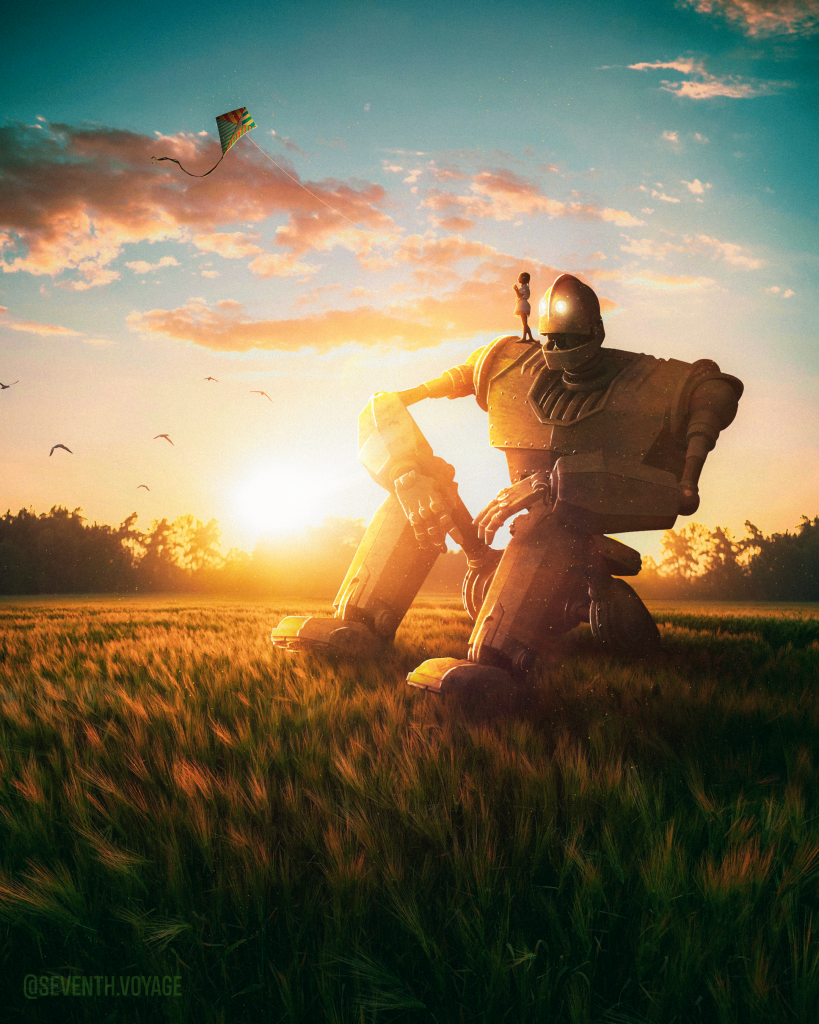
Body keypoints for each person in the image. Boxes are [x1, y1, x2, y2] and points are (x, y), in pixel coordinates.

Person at [272, 273, 743, 694]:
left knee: (544, 526)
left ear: (596, 335)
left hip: (569, 539)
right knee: (420, 485)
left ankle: (497, 664)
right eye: (549, 343)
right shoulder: (508, 363)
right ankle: (358, 622)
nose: (556, 354)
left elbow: (716, 391)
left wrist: (548, 487)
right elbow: (386, 404)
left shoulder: (651, 380)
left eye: (569, 342)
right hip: (508, 529)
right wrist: (405, 473)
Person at [513, 272, 536, 343]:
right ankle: (530, 338)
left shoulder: (524, 287)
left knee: (524, 323)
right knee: (524, 323)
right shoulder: (524, 287)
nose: (518, 278)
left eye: (519, 277)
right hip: (522, 304)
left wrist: (515, 289)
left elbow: (519, 295)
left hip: (523, 305)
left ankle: (524, 338)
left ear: (523, 279)